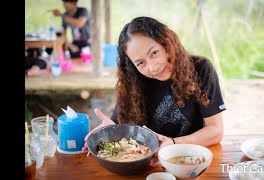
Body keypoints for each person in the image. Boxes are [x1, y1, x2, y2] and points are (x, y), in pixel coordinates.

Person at [82, 16, 226, 166]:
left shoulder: (200, 68)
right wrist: (111, 130)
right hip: (145, 165)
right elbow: (123, 129)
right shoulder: (132, 82)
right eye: (140, 63)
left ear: (166, 42)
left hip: (187, 161)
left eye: (154, 53)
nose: (152, 67)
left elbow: (215, 130)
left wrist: (173, 143)